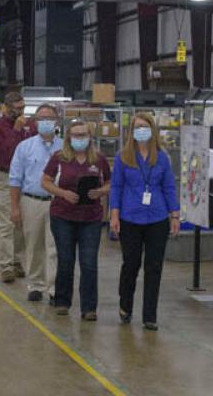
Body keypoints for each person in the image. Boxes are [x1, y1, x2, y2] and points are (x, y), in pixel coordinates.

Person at [109, 112, 179, 331]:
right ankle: (125, 306)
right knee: (131, 264)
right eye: (137, 127)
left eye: (145, 126)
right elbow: (116, 186)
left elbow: (169, 187)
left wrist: (174, 215)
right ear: (131, 132)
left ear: (152, 130)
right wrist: (114, 214)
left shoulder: (162, 158)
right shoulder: (123, 157)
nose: (141, 130)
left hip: (157, 218)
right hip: (130, 217)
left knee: (154, 267)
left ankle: (150, 315)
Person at [41, 120, 110, 321]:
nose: (80, 139)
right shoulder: (59, 158)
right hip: (63, 216)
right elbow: (45, 181)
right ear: (69, 138)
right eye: (76, 135)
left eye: (83, 135)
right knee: (66, 259)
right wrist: (62, 193)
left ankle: (89, 308)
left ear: (90, 137)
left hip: (91, 218)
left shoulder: (99, 159)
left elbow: (110, 182)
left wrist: (100, 192)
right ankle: (62, 301)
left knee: (89, 263)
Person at [9, 104, 62, 303]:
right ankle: (36, 285)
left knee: (55, 246)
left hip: (58, 202)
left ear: (56, 121)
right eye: (41, 118)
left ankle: (54, 288)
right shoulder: (25, 147)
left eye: (49, 118)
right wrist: (15, 207)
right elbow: (15, 179)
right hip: (32, 201)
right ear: (35, 122)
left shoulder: (65, 147)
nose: (46, 122)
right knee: (34, 245)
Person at [0, 91, 33, 283]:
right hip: (5, 177)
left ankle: (16, 260)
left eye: (23, 108)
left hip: (26, 179)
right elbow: (4, 153)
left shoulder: (29, 127)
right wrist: (16, 131)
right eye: (17, 109)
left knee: (22, 223)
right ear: (7, 109)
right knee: (7, 222)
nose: (21, 112)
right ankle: (6, 266)